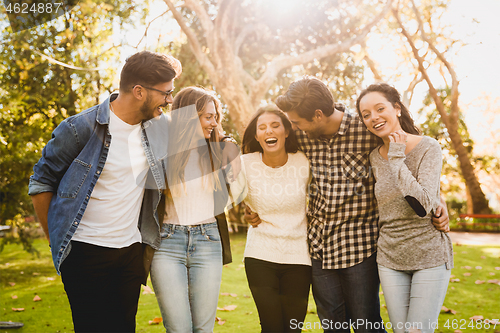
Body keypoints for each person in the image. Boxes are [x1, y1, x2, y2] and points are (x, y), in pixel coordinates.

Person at [246, 77, 450, 333]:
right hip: (319, 249)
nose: (293, 127)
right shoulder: (302, 136)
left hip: (360, 248)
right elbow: (271, 162)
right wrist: (253, 205)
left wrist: (437, 199)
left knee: (366, 326)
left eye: (297, 122)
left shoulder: (366, 128)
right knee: (332, 327)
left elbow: (411, 154)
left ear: (318, 115)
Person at [28, 51, 182, 333]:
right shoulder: (79, 129)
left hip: (130, 252)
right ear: (139, 91)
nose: (170, 100)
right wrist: (54, 239)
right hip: (85, 254)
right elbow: (41, 182)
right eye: (166, 93)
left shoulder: (156, 130)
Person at [356, 83, 453, 333]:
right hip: (390, 258)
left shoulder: (428, 147)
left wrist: (397, 155)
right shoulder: (374, 157)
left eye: (380, 109)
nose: (374, 118)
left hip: (429, 255)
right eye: (366, 115)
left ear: (396, 108)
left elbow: (421, 205)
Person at [150, 86, 233, 333]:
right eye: (209, 116)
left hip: (208, 240)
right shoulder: (162, 151)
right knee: (179, 329)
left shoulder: (219, 151)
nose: (214, 123)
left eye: (216, 116)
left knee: (204, 329)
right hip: (167, 243)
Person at [232, 106, 312, 332]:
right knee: (271, 326)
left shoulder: (304, 162)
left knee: (293, 327)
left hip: (298, 256)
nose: (269, 131)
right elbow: (226, 196)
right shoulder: (244, 164)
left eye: (275, 125)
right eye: (263, 127)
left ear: (287, 131)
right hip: (260, 254)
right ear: (256, 136)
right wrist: (247, 208)